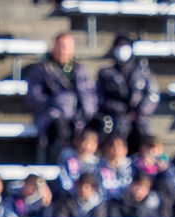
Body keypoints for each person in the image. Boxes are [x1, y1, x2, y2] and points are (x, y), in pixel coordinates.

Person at [26, 32, 96, 162]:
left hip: (77, 115)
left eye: (67, 47)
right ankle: (65, 160)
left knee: (101, 124)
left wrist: (84, 113)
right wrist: (56, 103)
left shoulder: (80, 70)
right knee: (59, 125)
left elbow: (89, 96)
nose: (63, 50)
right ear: (54, 47)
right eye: (60, 46)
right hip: (51, 115)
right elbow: (33, 96)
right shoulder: (41, 70)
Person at [95, 33, 158, 152]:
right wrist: (120, 110)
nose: (122, 50)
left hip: (140, 119)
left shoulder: (144, 73)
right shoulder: (106, 74)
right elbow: (100, 98)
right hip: (116, 118)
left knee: (142, 133)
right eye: (119, 46)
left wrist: (140, 111)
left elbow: (152, 95)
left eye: (125, 46)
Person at [56, 126, 101, 197]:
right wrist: (75, 191)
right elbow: (63, 175)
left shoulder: (97, 162)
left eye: (92, 143)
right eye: (86, 142)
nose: (88, 146)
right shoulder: (68, 156)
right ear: (77, 141)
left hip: (90, 196)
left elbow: (98, 182)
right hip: (69, 194)